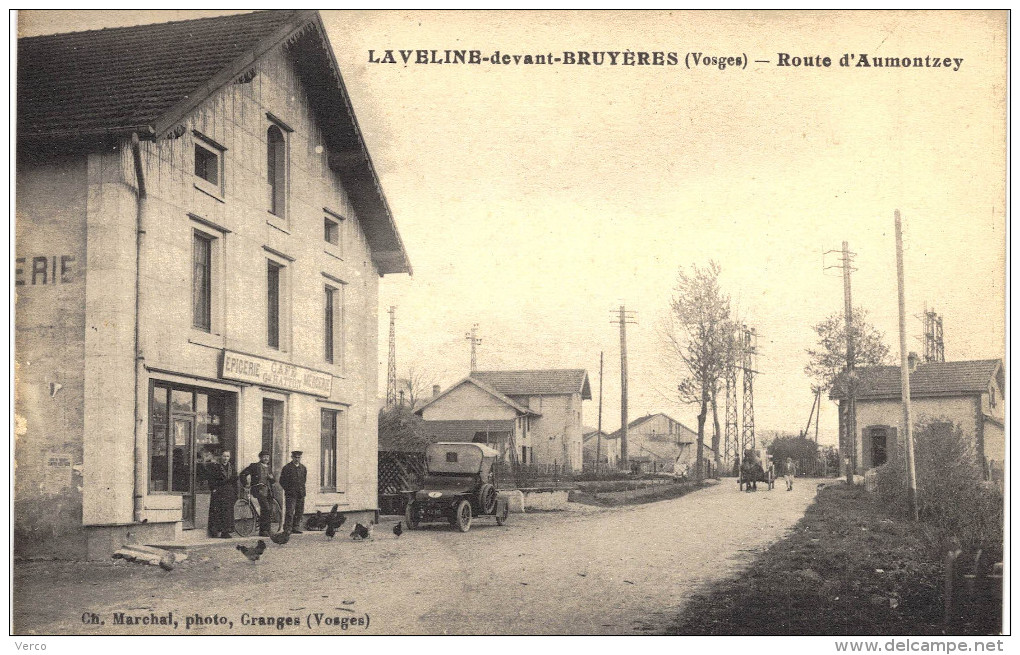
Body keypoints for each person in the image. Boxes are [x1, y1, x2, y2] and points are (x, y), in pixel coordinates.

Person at [241, 450, 276, 536]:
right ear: (260, 457)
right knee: (266, 508)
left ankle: (268, 529)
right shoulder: (254, 466)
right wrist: (246, 484)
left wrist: (271, 478)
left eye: (267, 457)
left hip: (268, 491)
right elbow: (243, 474)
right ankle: (263, 530)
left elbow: (273, 481)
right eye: (264, 456)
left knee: (269, 509)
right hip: (258, 490)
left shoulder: (269, 467)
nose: (266, 458)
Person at [206, 450, 237, 538]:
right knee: (218, 511)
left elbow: (234, 481)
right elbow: (211, 479)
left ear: (229, 457)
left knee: (228, 512)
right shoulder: (215, 467)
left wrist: (235, 492)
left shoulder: (232, 467)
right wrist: (213, 489)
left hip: (229, 492)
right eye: (224, 456)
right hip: (219, 491)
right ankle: (215, 531)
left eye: (227, 456)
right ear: (221, 457)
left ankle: (225, 531)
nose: (225, 458)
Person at [278, 450, 307, 533]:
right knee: (290, 511)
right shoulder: (287, 468)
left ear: (300, 458)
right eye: (295, 457)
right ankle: (287, 528)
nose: (297, 459)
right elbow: (282, 481)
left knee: (299, 511)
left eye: (299, 457)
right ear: (292, 457)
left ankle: (296, 527)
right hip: (291, 494)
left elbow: (304, 480)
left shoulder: (303, 468)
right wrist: (289, 489)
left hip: (301, 493)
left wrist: (301, 489)